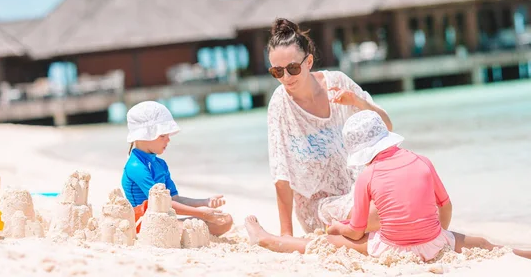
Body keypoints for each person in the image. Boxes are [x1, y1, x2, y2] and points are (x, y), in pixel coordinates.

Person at [245, 110, 531, 261]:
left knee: (324, 242)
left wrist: (336, 228)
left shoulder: (367, 176)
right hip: (434, 242)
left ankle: (268, 239)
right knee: (482, 243)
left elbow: (357, 231)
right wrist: (439, 233)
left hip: (393, 249)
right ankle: (519, 253)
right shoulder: (423, 161)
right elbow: (445, 205)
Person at [266, 17, 392, 235]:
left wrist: (358, 103)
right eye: (277, 72)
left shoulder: (338, 82)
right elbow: (281, 175)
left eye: (293, 68)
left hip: (361, 190)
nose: (286, 77)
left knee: (409, 197)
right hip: (321, 207)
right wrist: (286, 236)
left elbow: (387, 128)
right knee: (382, 213)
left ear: (309, 62)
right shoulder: (280, 104)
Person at [121, 101, 233, 236]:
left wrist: (205, 202)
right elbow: (161, 202)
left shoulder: (160, 164)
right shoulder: (135, 166)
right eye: (162, 135)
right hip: (144, 223)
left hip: (166, 218)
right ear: (143, 136)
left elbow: (174, 199)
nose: (168, 140)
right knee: (198, 226)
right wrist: (201, 213)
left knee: (225, 220)